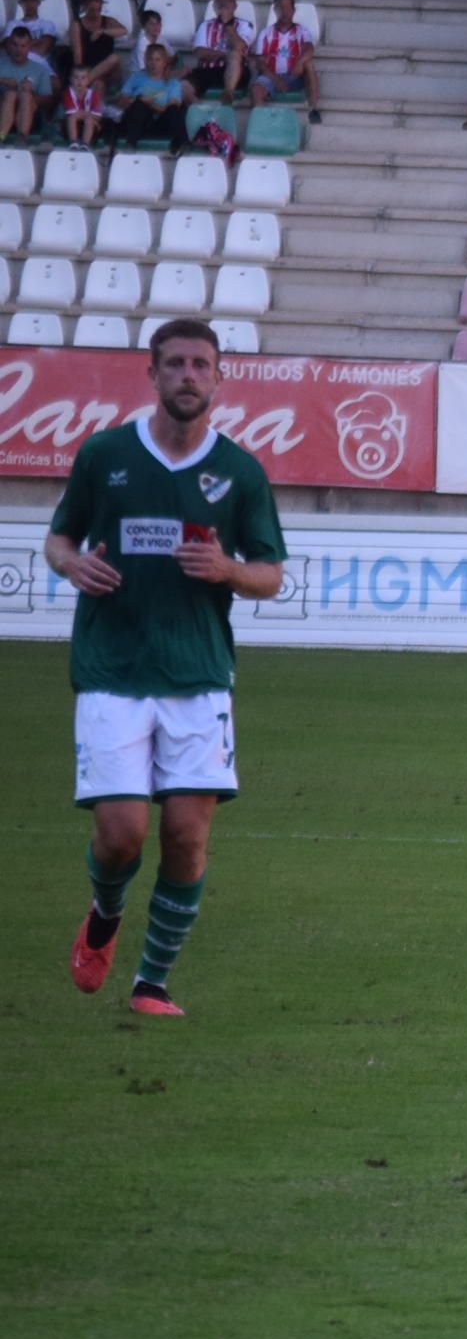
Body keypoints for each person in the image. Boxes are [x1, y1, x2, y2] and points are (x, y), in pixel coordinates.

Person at [49, 320, 288, 1020]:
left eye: (201, 364)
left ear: (219, 378)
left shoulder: (240, 473)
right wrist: (71, 562)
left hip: (197, 676)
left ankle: (151, 983)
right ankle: (104, 913)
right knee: (123, 834)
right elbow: (60, 536)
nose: (188, 375)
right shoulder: (105, 455)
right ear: (152, 375)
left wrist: (228, 569)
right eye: (175, 363)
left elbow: (270, 575)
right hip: (112, 670)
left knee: (186, 834)